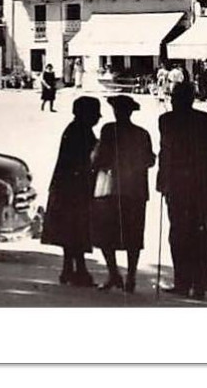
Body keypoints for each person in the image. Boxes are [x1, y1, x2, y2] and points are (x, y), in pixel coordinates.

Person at [157, 81, 207, 297]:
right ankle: (193, 283)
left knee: (186, 234)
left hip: (186, 186)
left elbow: (166, 153)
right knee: (193, 234)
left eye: (177, 97)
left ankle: (190, 283)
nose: (175, 101)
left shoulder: (168, 120)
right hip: (195, 187)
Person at [91, 93, 155, 292]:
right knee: (133, 235)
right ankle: (131, 276)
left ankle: (113, 273)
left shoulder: (109, 130)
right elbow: (150, 160)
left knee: (105, 233)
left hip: (110, 187)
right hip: (135, 189)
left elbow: (99, 157)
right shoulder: (142, 134)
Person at [42, 95, 101, 287]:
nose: (98, 118)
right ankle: (77, 270)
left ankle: (70, 269)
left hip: (66, 185)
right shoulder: (81, 132)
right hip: (73, 187)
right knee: (76, 228)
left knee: (71, 230)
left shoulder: (76, 129)